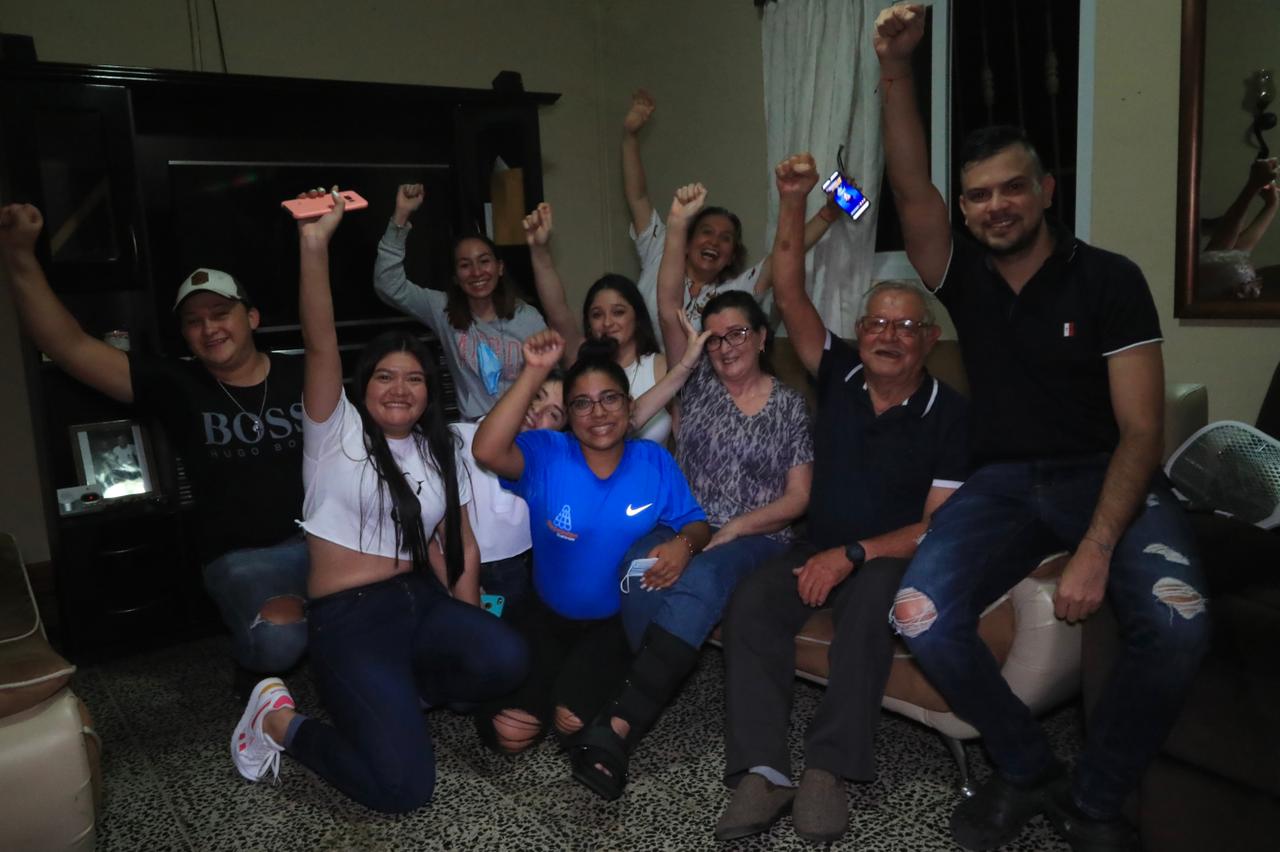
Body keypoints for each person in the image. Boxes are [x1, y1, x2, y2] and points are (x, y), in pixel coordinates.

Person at [876, 6, 1210, 851]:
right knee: (917, 615)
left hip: (1105, 471)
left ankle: (1095, 799)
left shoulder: (1109, 280)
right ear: (966, 208)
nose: (996, 206)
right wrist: (895, 66)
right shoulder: (962, 275)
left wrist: (1096, 548)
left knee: (1178, 626)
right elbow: (909, 190)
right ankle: (1027, 768)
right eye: (978, 194)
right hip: (1002, 483)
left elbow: (1142, 430)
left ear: (1046, 191)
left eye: (1012, 187)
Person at [229, 190, 528, 814]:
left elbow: (460, 548)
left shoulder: (440, 447)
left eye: (415, 378)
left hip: (419, 601)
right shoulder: (334, 433)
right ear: (363, 386)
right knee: (403, 790)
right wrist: (314, 246)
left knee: (506, 656)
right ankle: (278, 722)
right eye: (386, 376)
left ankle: (398, 703)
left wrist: (470, 631)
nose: (400, 388)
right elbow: (319, 342)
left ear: (429, 392)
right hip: (349, 619)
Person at [715, 156, 969, 844]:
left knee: (868, 610)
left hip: (890, 557)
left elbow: (937, 526)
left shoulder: (953, 415)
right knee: (752, 603)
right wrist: (794, 198)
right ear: (862, 332)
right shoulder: (840, 371)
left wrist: (854, 555)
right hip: (817, 542)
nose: (888, 336)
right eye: (877, 324)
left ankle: (828, 768)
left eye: (905, 327)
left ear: (929, 340)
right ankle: (764, 770)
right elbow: (788, 288)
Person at [0, 202, 308, 698]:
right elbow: (69, 346)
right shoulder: (175, 383)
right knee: (280, 642)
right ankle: (255, 663)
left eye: (221, 313)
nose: (209, 328)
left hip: (322, 541)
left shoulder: (301, 372)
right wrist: (19, 255)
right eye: (193, 321)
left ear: (251, 317)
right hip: (241, 559)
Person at [471, 329, 710, 800]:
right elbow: (486, 450)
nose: (597, 413)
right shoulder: (547, 453)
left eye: (609, 399)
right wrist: (535, 370)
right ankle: (549, 684)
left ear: (629, 406)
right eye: (581, 403)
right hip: (545, 615)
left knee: (571, 722)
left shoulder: (653, 461)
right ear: (570, 415)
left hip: (611, 626)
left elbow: (696, 522)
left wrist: (684, 544)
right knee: (509, 734)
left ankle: (568, 692)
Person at [620, 88, 842, 331]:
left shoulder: (735, 293)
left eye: (726, 238)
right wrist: (630, 137)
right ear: (687, 241)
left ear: (732, 256)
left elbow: (784, 253)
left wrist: (827, 215)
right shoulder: (659, 252)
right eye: (706, 232)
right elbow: (638, 198)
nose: (714, 242)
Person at [374, 183, 547, 420]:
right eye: (465, 265)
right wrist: (401, 216)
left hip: (525, 427)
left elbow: (552, 378)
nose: (476, 272)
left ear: (499, 267)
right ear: (456, 277)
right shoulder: (442, 309)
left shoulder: (528, 317)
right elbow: (388, 285)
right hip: (475, 430)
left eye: (484, 261)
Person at [523, 202, 673, 442]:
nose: (607, 322)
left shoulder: (661, 366)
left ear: (637, 316)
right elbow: (558, 312)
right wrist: (539, 251)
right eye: (597, 315)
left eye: (618, 312)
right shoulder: (582, 360)